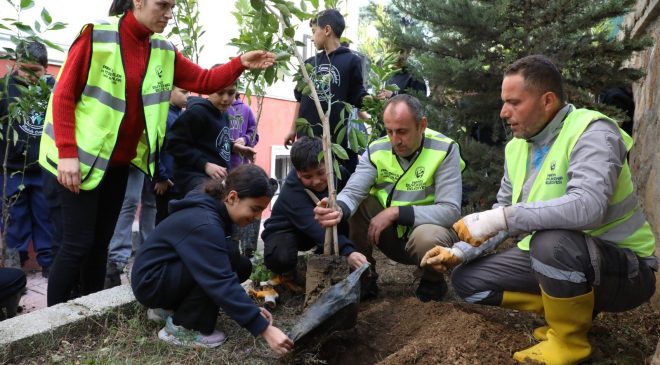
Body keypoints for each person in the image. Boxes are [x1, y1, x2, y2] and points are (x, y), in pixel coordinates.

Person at [422, 55, 657, 365]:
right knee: (468, 281)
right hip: (563, 256)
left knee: (550, 242)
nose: (504, 112)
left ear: (547, 101)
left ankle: (569, 341)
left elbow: (588, 207)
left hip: (626, 270)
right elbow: (502, 215)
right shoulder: (517, 146)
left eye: (514, 102)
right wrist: (460, 252)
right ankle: (564, 308)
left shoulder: (594, 131)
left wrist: (501, 216)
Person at [38, 0, 275, 306]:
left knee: (99, 245)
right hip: (76, 161)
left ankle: (88, 313)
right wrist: (67, 153)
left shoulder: (163, 49)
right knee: (76, 244)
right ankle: (51, 321)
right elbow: (64, 95)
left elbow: (204, 80)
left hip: (117, 164)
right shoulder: (98, 35)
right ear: (138, 1)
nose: (168, 14)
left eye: (173, 6)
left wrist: (240, 61)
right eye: (162, 5)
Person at [314, 94, 463, 302]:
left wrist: (395, 212)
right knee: (359, 205)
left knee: (426, 237)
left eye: (402, 131)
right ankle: (365, 276)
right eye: (389, 131)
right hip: (389, 236)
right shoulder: (376, 150)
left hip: (426, 238)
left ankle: (432, 280)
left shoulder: (444, 149)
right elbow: (354, 191)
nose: (395, 140)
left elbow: (451, 211)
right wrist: (337, 208)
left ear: (422, 125)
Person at [131, 164, 293, 353]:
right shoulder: (204, 223)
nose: (257, 217)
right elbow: (220, 280)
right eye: (255, 209)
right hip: (151, 283)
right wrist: (264, 329)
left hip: (163, 272)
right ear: (232, 197)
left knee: (239, 264)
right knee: (216, 268)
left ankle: (167, 309)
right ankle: (183, 327)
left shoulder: (214, 205)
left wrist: (248, 308)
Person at [262, 136, 368, 276]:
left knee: (339, 215)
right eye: (307, 177)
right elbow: (315, 226)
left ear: (329, 165)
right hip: (289, 230)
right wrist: (348, 252)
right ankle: (288, 276)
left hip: (316, 230)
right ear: (298, 173)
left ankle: (326, 262)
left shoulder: (339, 173)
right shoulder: (292, 192)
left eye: (320, 173)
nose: (316, 181)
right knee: (281, 257)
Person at [283, 9, 369, 174]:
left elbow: (358, 95)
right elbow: (300, 99)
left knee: (335, 180)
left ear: (327, 30)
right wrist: (293, 129)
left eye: (314, 31)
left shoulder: (351, 61)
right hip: (308, 139)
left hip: (335, 142)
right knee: (306, 177)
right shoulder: (309, 63)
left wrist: (375, 103)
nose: (313, 37)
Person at [0, 40, 55, 276]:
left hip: (43, 168)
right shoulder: (4, 89)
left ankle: (50, 265)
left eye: (36, 71)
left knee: (47, 218)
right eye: (24, 69)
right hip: (12, 169)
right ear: (15, 65)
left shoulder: (52, 90)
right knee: (14, 220)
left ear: (45, 69)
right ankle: (14, 268)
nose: (30, 76)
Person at [165, 81, 255, 196]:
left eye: (231, 93)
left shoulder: (223, 113)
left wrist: (236, 147)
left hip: (216, 178)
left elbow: (216, 140)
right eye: (220, 93)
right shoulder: (197, 113)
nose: (226, 98)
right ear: (209, 90)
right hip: (194, 179)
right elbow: (174, 143)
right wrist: (205, 164)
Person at [104, 165, 157, 288]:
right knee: (129, 202)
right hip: (135, 158)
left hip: (152, 158)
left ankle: (148, 256)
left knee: (150, 202)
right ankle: (116, 263)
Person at [227, 91, 260, 257]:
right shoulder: (218, 107)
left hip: (240, 169)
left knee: (241, 208)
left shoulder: (245, 110)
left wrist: (245, 140)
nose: (225, 97)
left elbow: (254, 133)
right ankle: (230, 248)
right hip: (221, 170)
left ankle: (247, 251)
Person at [154, 86, 188, 224]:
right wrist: (161, 176)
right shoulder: (163, 116)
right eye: (184, 92)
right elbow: (155, 147)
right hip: (165, 182)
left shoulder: (183, 115)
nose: (187, 96)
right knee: (163, 220)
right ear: (170, 91)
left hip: (179, 180)